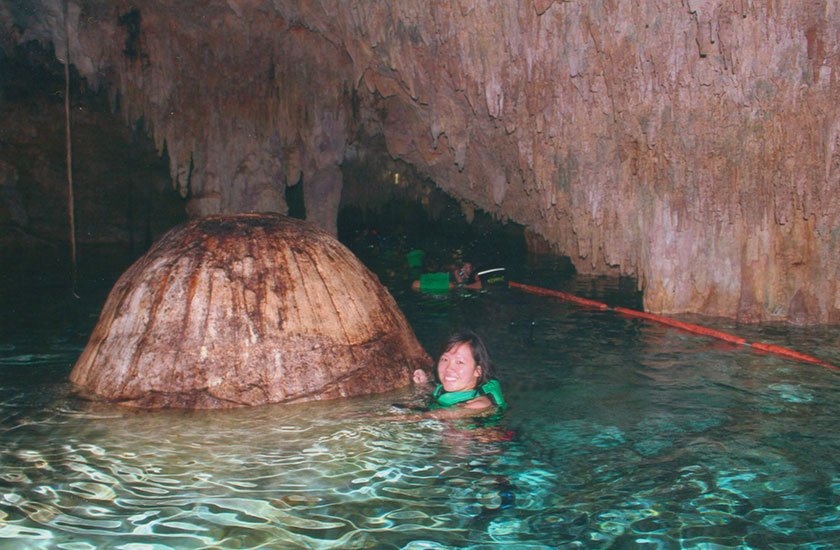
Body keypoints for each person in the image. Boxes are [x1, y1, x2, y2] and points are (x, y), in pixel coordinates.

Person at [413, 330, 506, 413]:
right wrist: (424, 384)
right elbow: (445, 396)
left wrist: (402, 416)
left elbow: (440, 415)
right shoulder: (456, 388)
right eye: (445, 359)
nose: (449, 368)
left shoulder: (481, 403)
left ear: (477, 371)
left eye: (460, 362)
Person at [411, 261, 483, 293]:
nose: (464, 269)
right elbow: (460, 287)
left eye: (468, 267)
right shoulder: (450, 283)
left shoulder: (415, 283)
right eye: (464, 266)